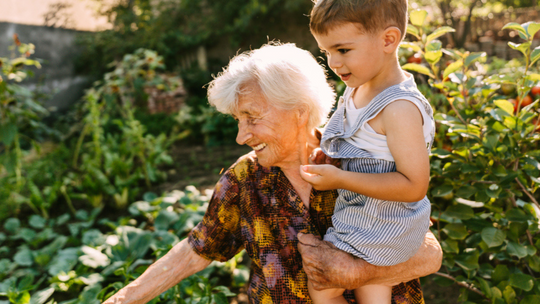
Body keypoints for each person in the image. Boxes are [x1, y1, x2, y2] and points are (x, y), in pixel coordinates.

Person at [103, 42, 442, 304]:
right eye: (238, 120)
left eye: (252, 116)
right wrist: (122, 299)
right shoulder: (245, 180)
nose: (241, 136)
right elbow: (197, 248)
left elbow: (430, 253)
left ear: (299, 111)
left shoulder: (358, 160)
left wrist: (357, 272)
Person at [299, 1, 436, 303]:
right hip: (363, 213)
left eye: (343, 50)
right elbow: (360, 143)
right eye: (326, 52)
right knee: (372, 295)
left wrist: (340, 178)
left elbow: (414, 186)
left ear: (388, 40)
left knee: (323, 287)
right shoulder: (358, 86)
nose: (334, 62)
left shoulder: (398, 108)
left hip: (386, 221)